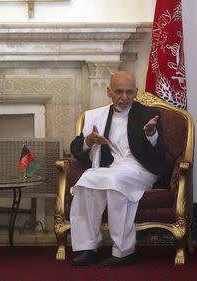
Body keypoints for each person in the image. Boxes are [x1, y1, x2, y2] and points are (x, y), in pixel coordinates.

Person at [69, 71, 166, 266]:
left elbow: (160, 154)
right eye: (119, 92)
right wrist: (89, 140)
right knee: (86, 182)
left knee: (115, 182)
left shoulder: (148, 115)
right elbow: (76, 148)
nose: (124, 97)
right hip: (110, 168)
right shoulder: (97, 116)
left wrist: (151, 134)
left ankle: (124, 251)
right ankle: (87, 248)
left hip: (140, 170)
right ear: (109, 92)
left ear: (136, 92)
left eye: (129, 92)